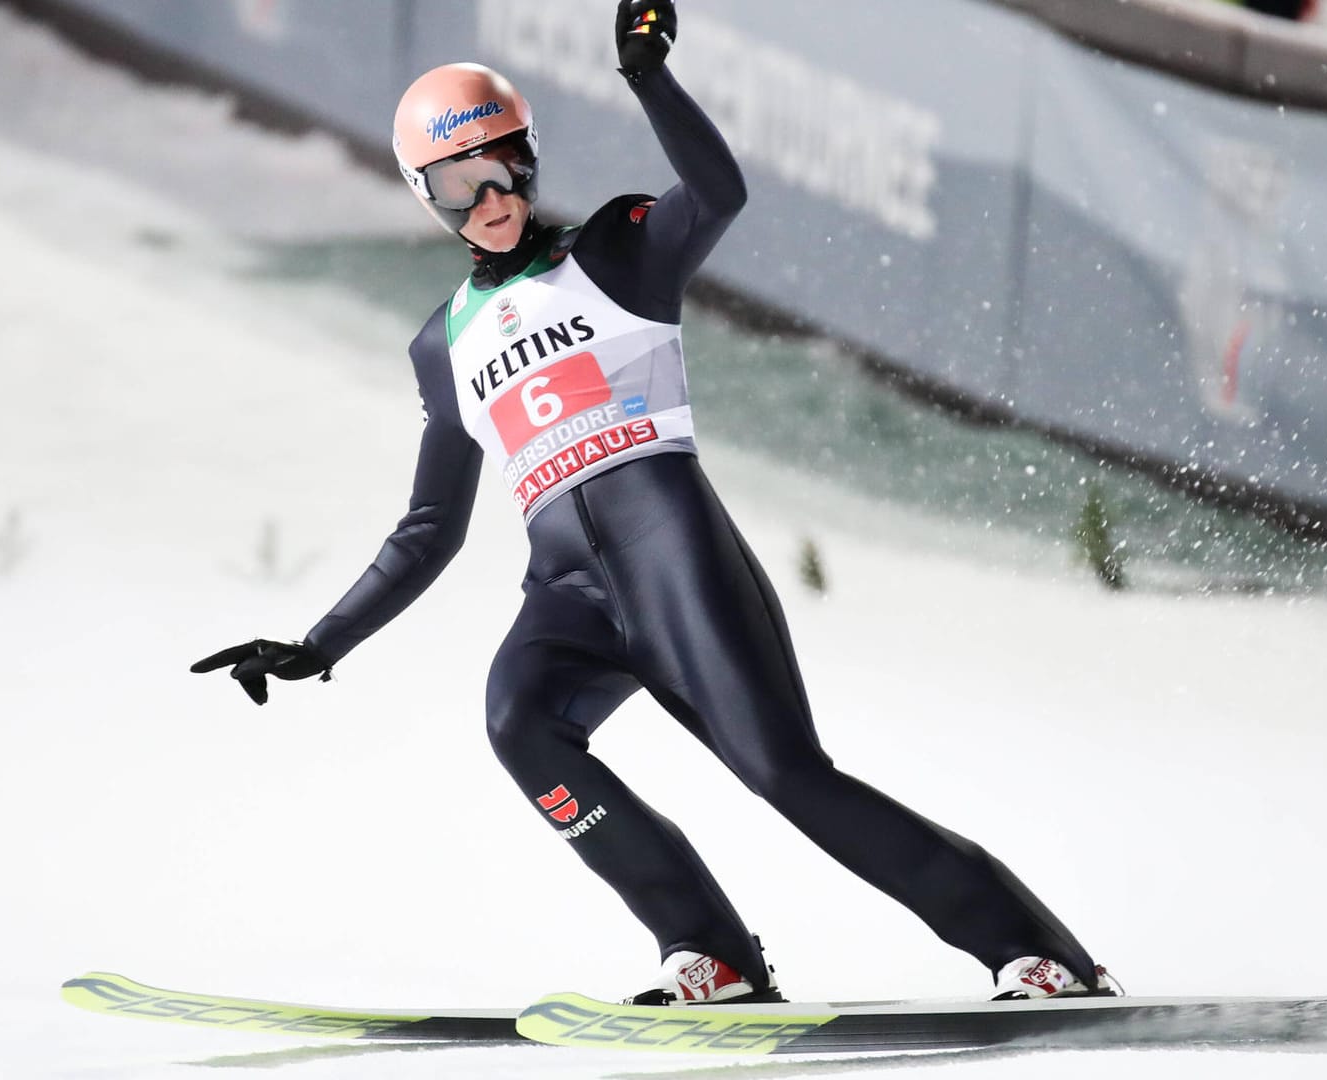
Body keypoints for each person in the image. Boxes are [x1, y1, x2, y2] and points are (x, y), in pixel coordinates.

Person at [193, 0, 1114, 1007]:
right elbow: (429, 527)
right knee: (519, 719)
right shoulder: (441, 345)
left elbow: (718, 193)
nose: (490, 195)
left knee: (787, 777)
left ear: (530, 158)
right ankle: (709, 953)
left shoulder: (618, 251)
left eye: (504, 165)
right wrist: (320, 644)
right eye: (459, 184)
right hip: (571, 594)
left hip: (673, 556)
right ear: (428, 197)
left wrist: (648, 77)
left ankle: (1038, 952)